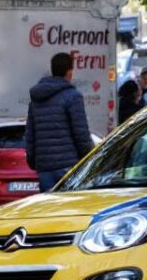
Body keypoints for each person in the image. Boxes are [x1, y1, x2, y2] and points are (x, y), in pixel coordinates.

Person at [26, 53, 95, 192]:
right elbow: (81, 133)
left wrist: (33, 161)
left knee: (50, 209)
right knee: (70, 209)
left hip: (45, 168)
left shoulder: (36, 99)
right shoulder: (73, 97)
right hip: (69, 166)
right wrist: (90, 159)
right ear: (69, 72)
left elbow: (30, 134)